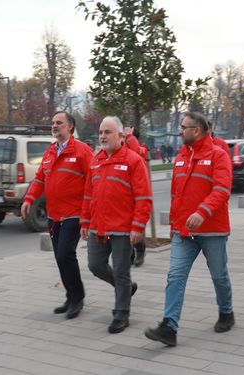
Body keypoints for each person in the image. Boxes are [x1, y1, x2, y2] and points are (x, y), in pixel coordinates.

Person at [145, 112, 234, 347]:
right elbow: (177, 195)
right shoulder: (182, 156)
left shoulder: (218, 155)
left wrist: (202, 211)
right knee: (175, 276)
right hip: (184, 232)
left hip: (212, 230)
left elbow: (222, 190)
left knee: (219, 275)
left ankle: (226, 312)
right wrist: (175, 225)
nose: (179, 131)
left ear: (197, 130)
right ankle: (169, 327)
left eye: (183, 127)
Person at [80, 116, 152, 334]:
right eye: (101, 132)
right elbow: (88, 194)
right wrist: (85, 221)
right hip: (98, 228)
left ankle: (121, 314)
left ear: (121, 136)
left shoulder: (133, 160)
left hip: (122, 229)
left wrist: (138, 226)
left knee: (121, 272)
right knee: (95, 265)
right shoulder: (96, 160)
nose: (103, 136)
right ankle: (127, 289)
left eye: (108, 132)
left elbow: (143, 198)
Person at [21, 111, 94, 319]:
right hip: (54, 215)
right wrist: (28, 199)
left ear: (70, 126)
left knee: (65, 254)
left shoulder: (82, 151)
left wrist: (89, 212)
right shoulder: (50, 152)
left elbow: (93, 180)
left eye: (59, 123)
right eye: (53, 122)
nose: (54, 126)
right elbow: (39, 179)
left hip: (74, 214)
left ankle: (77, 298)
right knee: (60, 258)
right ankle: (71, 297)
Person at [124, 126, 149, 267]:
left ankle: (140, 249)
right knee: (124, 228)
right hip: (123, 195)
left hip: (137, 196)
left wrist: (129, 136)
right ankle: (130, 254)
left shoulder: (142, 149)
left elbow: (136, 151)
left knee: (134, 228)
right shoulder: (122, 149)